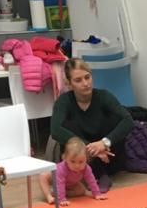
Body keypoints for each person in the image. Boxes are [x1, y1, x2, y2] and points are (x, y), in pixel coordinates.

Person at [50, 58, 134, 193]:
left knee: (115, 119)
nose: (85, 83)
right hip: (81, 160)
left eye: (87, 77)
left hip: (109, 157)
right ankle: (98, 175)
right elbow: (55, 130)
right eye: (78, 80)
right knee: (68, 126)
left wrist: (103, 143)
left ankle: (101, 174)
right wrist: (91, 148)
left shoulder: (103, 96)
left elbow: (128, 121)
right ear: (69, 84)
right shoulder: (63, 102)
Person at [38, 136, 107, 206]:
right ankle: (49, 196)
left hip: (70, 184)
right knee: (43, 176)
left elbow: (91, 181)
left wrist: (97, 194)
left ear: (86, 159)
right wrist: (61, 199)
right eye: (72, 161)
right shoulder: (62, 168)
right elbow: (60, 183)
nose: (77, 165)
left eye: (81, 162)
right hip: (55, 180)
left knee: (82, 191)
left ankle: (57, 193)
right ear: (65, 158)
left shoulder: (86, 168)